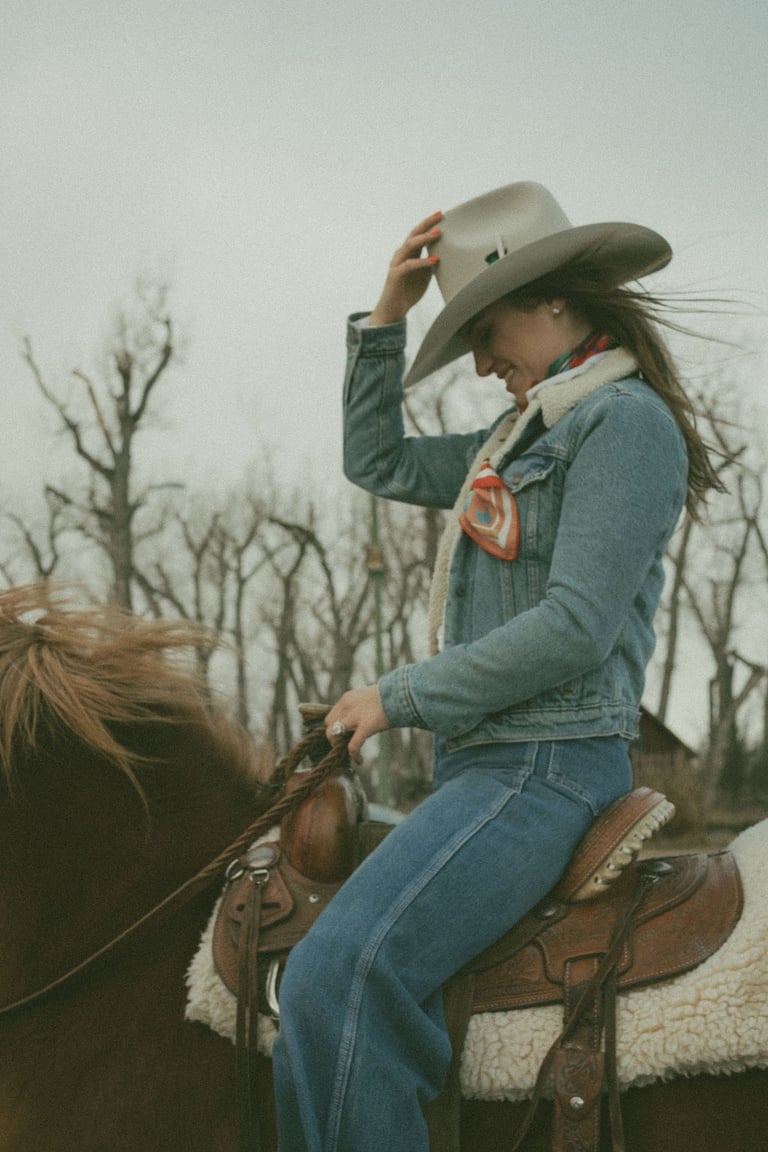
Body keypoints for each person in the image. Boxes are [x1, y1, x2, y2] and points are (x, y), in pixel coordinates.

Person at [271, 181, 722, 1152]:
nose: (479, 365)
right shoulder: (515, 438)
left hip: (546, 768)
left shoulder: (625, 428)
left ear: (555, 298)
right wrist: (383, 324)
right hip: (482, 770)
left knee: (337, 973)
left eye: (486, 332)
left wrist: (394, 697)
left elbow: (572, 630)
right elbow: (380, 460)